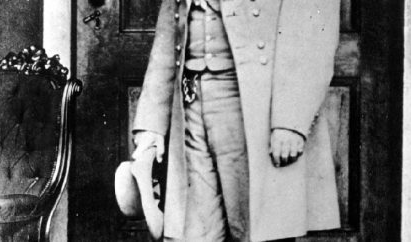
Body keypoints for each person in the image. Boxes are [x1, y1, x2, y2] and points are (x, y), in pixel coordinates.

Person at [131, 0, 341, 241]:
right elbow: (170, 24)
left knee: (258, 231)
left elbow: (312, 20)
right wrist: (151, 123)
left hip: (255, 104)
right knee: (191, 231)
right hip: (189, 101)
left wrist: (291, 118)